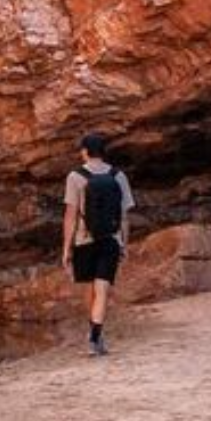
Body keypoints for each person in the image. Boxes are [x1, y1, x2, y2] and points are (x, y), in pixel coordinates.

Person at [61, 131, 134, 356]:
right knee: (102, 290)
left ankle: (94, 332)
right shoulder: (118, 176)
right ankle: (96, 335)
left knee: (90, 289)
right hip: (110, 240)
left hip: (85, 240)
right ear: (103, 152)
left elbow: (70, 215)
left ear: (85, 151)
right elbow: (123, 216)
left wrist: (66, 248)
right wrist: (124, 243)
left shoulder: (75, 177)